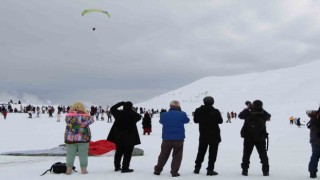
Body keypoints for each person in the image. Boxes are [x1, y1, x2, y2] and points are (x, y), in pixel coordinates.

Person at [154, 100, 190, 177]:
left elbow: (161, 121)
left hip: (166, 138)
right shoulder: (182, 114)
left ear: (170, 106)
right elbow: (187, 121)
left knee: (163, 154)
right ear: (179, 107)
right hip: (179, 138)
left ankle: (158, 170)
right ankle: (174, 172)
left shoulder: (164, 114)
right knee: (177, 155)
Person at [107, 101, 142, 173]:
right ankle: (125, 168)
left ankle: (117, 167)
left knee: (118, 152)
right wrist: (130, 110)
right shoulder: (133, 114)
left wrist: (120, 103)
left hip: (119, 137)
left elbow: (112, 108)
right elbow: (139, 116)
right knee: (128, 153)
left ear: (123, 106)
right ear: (131, 107)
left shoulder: (118, 113)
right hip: (130, 137)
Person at [238, 100, 271, 176]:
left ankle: (245, 170)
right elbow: (268, 116)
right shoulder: (263, 113)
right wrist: (260, 109)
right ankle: (265, 171)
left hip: (248, 137)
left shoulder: (248, 112)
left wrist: (248, 108)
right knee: (263, 155)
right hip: (260, 138)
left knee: (246, 154)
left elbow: (240, 116)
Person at [193, 96, 223, 176]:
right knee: (213, 153)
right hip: (214, 135)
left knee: (201, 152)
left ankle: (197, 168)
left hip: (203, 134)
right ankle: (210, 169)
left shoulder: (198, 110)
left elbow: (195, 120)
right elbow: (220, 121)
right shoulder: (215, 111)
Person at [64, 102, 94, 175]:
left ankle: (68, 171)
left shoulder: (68, 116)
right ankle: (84, 171)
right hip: (83, 139)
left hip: (70, 139)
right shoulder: (86, 116)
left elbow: (67, 122)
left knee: (70, 155)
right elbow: (92, 120)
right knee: (83, 155)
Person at [307, 109, 320, 178]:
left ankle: (312, 171)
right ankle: (312, 171)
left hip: (314, 140)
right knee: (315, 155)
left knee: (315, 155)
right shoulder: (316, 118)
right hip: (316, 140)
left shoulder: (314, 117)